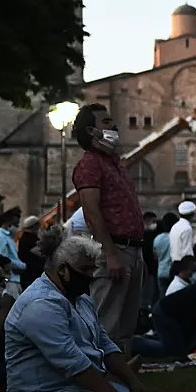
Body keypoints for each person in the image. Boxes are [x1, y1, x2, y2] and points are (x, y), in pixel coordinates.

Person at [5, 226, 162, 392]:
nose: (92, 276)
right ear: (63, 269)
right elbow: (70, 360)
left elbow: (104, 343)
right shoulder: (40, 304)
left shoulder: (81, 299)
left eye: (93, 270)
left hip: (82, 390)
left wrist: (132, 382)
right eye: (86, 270)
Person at [71, 103, 146, 358]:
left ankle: (123, 381)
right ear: (91, 131)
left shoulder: (114, 164)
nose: (113, 126)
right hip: (116, 250)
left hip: (132, 250)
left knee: (126, 326)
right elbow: (92, 212)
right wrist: (110, 252)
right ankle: (101, 382)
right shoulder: (90, 164)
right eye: (106, 122)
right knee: (106, 324)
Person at [132, 280, 196, 358]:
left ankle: (140, 339)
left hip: (169, 312)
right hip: (166, 313)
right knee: (174, 351)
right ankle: (133, 343)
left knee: (170, 341)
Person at [0, 211, 24, 298]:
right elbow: (2, 260)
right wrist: (21, 266)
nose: (16, 227)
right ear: (7, 222)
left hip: (14, 280)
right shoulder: (0, 237)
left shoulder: (8, 238)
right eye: (15, 224)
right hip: (9, 281)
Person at [153, 213, 178, 297]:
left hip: (161, 272)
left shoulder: (157, 239)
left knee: (163, 298)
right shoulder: (176, 237)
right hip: (174, 272)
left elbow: (155, 256)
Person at [18, 216, 44, 290]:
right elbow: (41, 253)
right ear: (34, 226)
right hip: (31, 275)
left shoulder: (27, 238)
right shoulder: (29, 239)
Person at [140, 212, 159, 310]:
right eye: (153, 221)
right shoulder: (139, 235)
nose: (155, 224)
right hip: (143, 269)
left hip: (152, 269)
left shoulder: (154, 235)